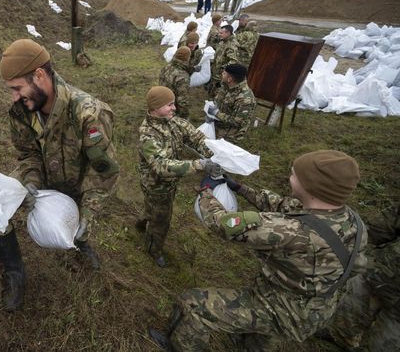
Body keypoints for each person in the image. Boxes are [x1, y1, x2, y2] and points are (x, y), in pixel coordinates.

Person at [149, 150, 367, 351]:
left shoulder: (288, 230)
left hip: (281, 310)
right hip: (317, 309)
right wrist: (240, 188)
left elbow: (223, 224)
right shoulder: (353, 221)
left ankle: (178, 346)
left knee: (194, 304)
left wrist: (206, 193)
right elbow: (283, 205)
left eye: (295, 174)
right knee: (260, 341)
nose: (290, 175)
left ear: (311, 187)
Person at [0, 38, 119, 311]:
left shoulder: (88, 113)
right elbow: (27, 153)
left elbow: (103, 172)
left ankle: (81, 242)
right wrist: (32, 182)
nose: (14, 97)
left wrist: (89, 215)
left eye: (17, 88)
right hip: (44, 176)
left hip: (77, 183)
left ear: (39, 75)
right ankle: (14, 271)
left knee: (76, 223)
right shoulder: (21, 109)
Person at [135, 86, 220, 268]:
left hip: (170, 183)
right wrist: (200, 165)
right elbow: (160, 166)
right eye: (169, 104)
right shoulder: (148, 135)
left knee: (154, 210)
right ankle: (153, 249)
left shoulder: (173, 122)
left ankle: (143, 221)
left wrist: (215, 153)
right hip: (156, 186)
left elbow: (196, 137)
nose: (174, 108)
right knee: (161, 221)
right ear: (155, 108)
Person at [326, 201, 400, 351]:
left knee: (385, 344)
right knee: (349, 314)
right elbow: (379, 227)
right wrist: (348, 235)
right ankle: (339, 337)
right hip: (377, 275)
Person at [207, 64, 257, 141]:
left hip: (230, 133)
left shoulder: (245, 99)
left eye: (224, 74)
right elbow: (218, 101)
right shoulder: (226, 86)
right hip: (219, 124)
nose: (221, 74)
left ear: (229, 79)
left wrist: (217, 114)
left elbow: (237, 122)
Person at [207, 25, 239, 98]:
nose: (219, 34)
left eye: (221, 33)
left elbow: (233, 61)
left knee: (218, 95)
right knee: (212, 92)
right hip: (215, 73)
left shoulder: (232, 45)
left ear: (228, 33)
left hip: (221, 75)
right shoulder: (223, 42)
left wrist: (223, 70)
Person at [160, 46, 191, 119]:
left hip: (162, 103)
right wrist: (184, 117)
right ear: (187, 58)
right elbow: (183, 101)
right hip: (173, 110)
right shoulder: (182, 76)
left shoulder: (167, 67)